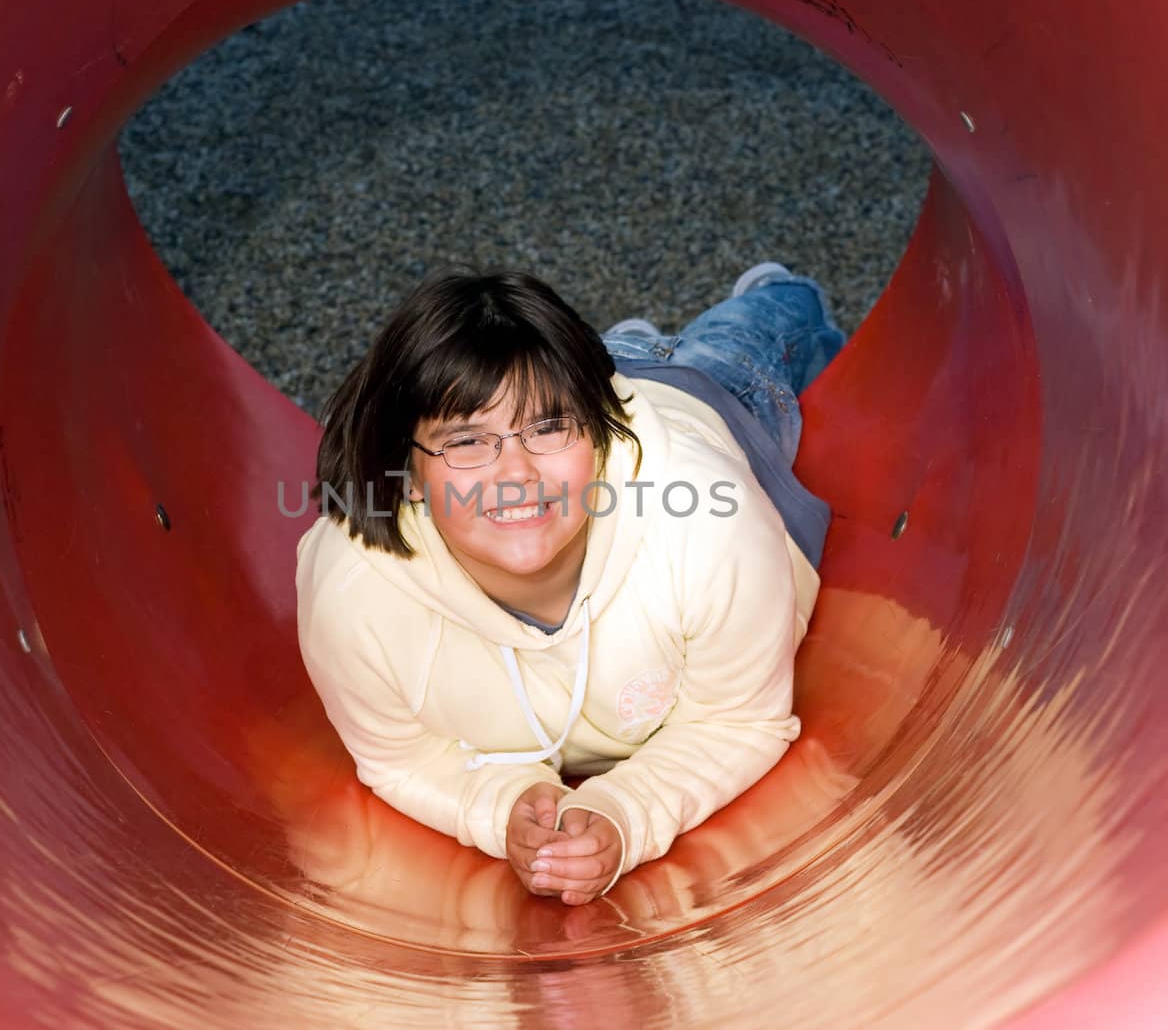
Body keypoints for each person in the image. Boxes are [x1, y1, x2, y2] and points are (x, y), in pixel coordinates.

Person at [294, 263, 845, 905]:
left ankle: (775, 296)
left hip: (701, 403)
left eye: (548, 429)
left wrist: (628, 812)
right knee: (566, 378)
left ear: (596, 434)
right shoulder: (354, 593)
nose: (517, 476)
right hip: (582, 382)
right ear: (407, 471)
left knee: (747, 344)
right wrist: (503, 806)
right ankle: (599, 366)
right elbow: (400, 760)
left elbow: (739, 721)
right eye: (467, 441)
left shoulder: (703, 520)